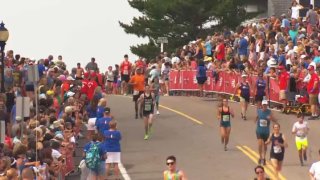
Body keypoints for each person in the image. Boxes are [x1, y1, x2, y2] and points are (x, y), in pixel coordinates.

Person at [255, 100, 276, 165]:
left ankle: (264, 158)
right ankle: (260, 157)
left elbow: (275, 120)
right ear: (262, 105)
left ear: (267, 105)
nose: (264, 106)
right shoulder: (259, 111)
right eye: (263, 105)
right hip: (259, 131)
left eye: (265, 105)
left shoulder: (269, 112)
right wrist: (256, 120)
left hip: (266, 132)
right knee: (260, 144)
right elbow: (256, 117)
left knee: (265, 145)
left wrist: (271, 118)